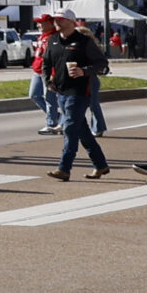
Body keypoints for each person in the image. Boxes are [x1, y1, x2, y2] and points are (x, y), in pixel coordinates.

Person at [42, 13, 111, 181]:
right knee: (83, 132)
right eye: (55, 20)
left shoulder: (84, 41)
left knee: (70, 129)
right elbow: (46, 63)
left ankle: (64, 169)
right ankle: (101, 165)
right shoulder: (53, 40)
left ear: (71, 22)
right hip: (61, 92)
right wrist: (47, 81)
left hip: (80, 93)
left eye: (60, 19)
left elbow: (101, 63)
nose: (56, 22)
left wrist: (84, 71)